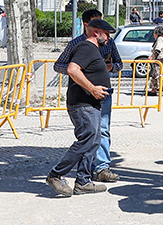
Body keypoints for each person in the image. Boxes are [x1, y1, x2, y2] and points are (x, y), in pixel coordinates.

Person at [46, 18, 116, 196]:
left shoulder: (94, 49)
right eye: (106, 34)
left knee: (94, 140)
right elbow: (72, 69)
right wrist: (92, 88)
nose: (108, 38)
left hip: (91, 104)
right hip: (82, 104)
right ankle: (56, 175)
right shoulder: (86, 47)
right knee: (87, 139)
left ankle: (83, 181)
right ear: (96, 32)